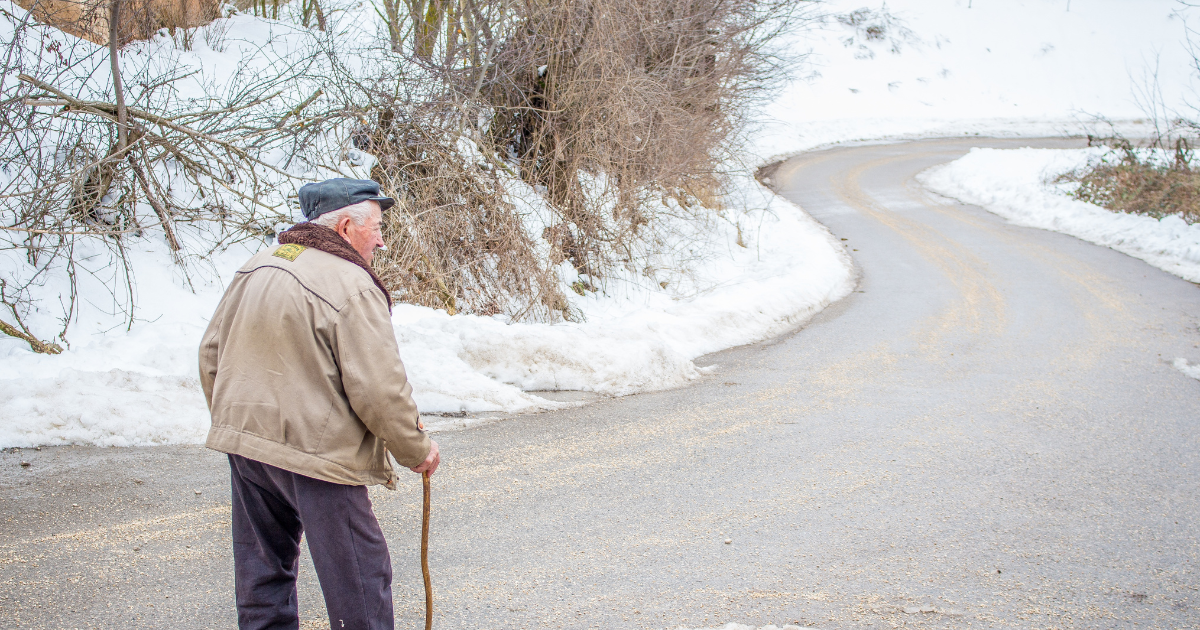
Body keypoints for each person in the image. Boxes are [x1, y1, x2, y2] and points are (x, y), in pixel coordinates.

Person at [199, 177, 439, 630]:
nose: (383, 240)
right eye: (378, 227)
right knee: (360, 582)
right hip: (318, 456)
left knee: (263, 576)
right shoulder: (352, 283)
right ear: (346, 226)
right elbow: (378, 388)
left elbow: (211, 354)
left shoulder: (258, 264)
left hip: (249, 449)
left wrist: (238, 423)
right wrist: (416, 448)